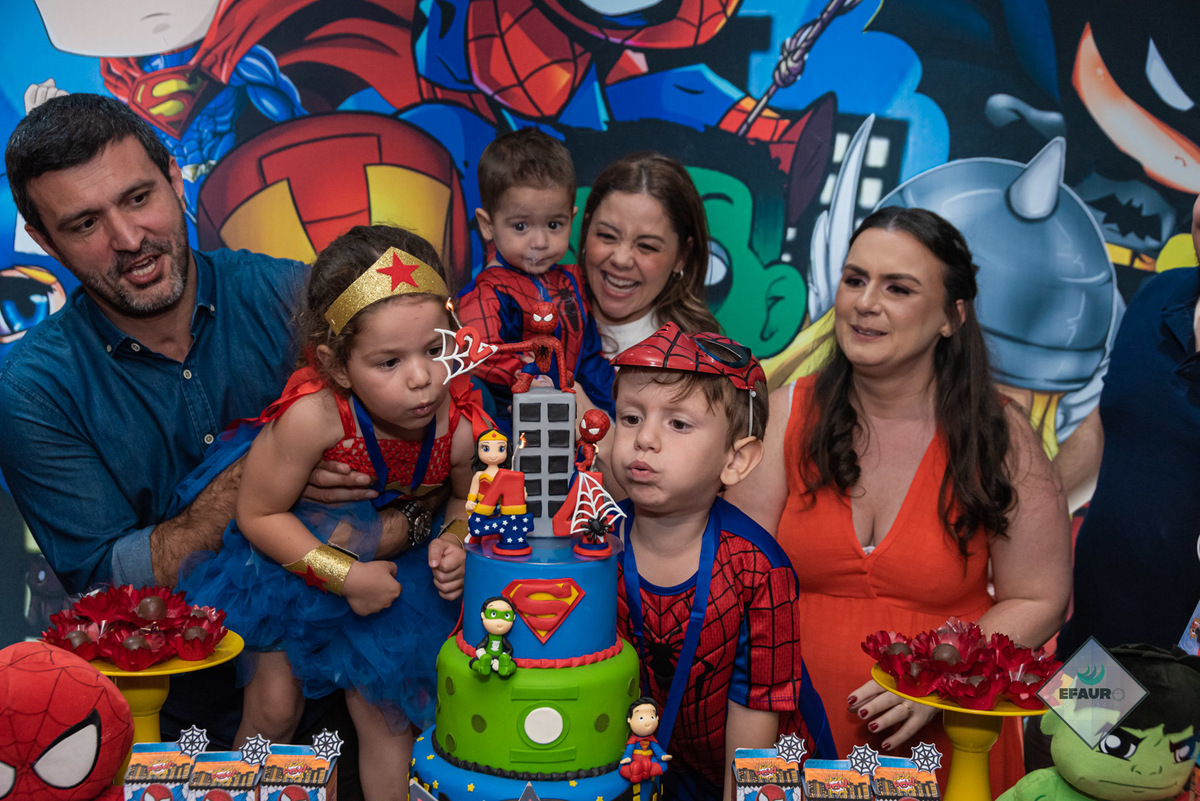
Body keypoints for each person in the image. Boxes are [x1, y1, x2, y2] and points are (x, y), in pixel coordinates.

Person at [726, 207, 1071, 793]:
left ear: (951, 317)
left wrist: (939, 677)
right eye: (855, 279)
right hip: (784, 734)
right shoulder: (785, 415)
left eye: (898, 288)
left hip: (941, 745)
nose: (865, 303)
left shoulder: (1000, 436)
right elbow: (735, 583)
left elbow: (1040, 598)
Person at [178, 225, 479, 801]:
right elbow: (259, 515)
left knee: (389, 717)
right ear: (336, 366)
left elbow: (467, 497)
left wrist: (455, 538)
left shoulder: (460, 427)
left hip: (395, 575)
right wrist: (346, 576)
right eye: (389, 362)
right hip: (292, 565)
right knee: (274, 709)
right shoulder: (313, 419)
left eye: (436, 349)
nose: (422, 377)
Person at [611, 324, 834, 801]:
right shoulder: (600, 542)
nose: (644, 438)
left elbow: (757, 720)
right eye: (630, 417)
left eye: (678, 424)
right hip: (668, 770)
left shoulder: (759, 570)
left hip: (770, 778)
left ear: (736, 461)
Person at [457, 128, 614, 425]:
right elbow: (479, 353)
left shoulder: (572, 282)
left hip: (574, 415)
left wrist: (613, 411)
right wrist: (530, 377)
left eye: (554, 225)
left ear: (571, 218)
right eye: (521, 227)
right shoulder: (488, 292)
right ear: (488, 225)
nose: (540, 242)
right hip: (511, 420)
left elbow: (590, 358)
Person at [578, 152, 719, 359]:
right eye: (607, 236)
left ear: (682, 256)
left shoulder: (695, 361)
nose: (621, 259)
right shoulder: (537, 316)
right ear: (586, 229)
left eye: (646, 246)